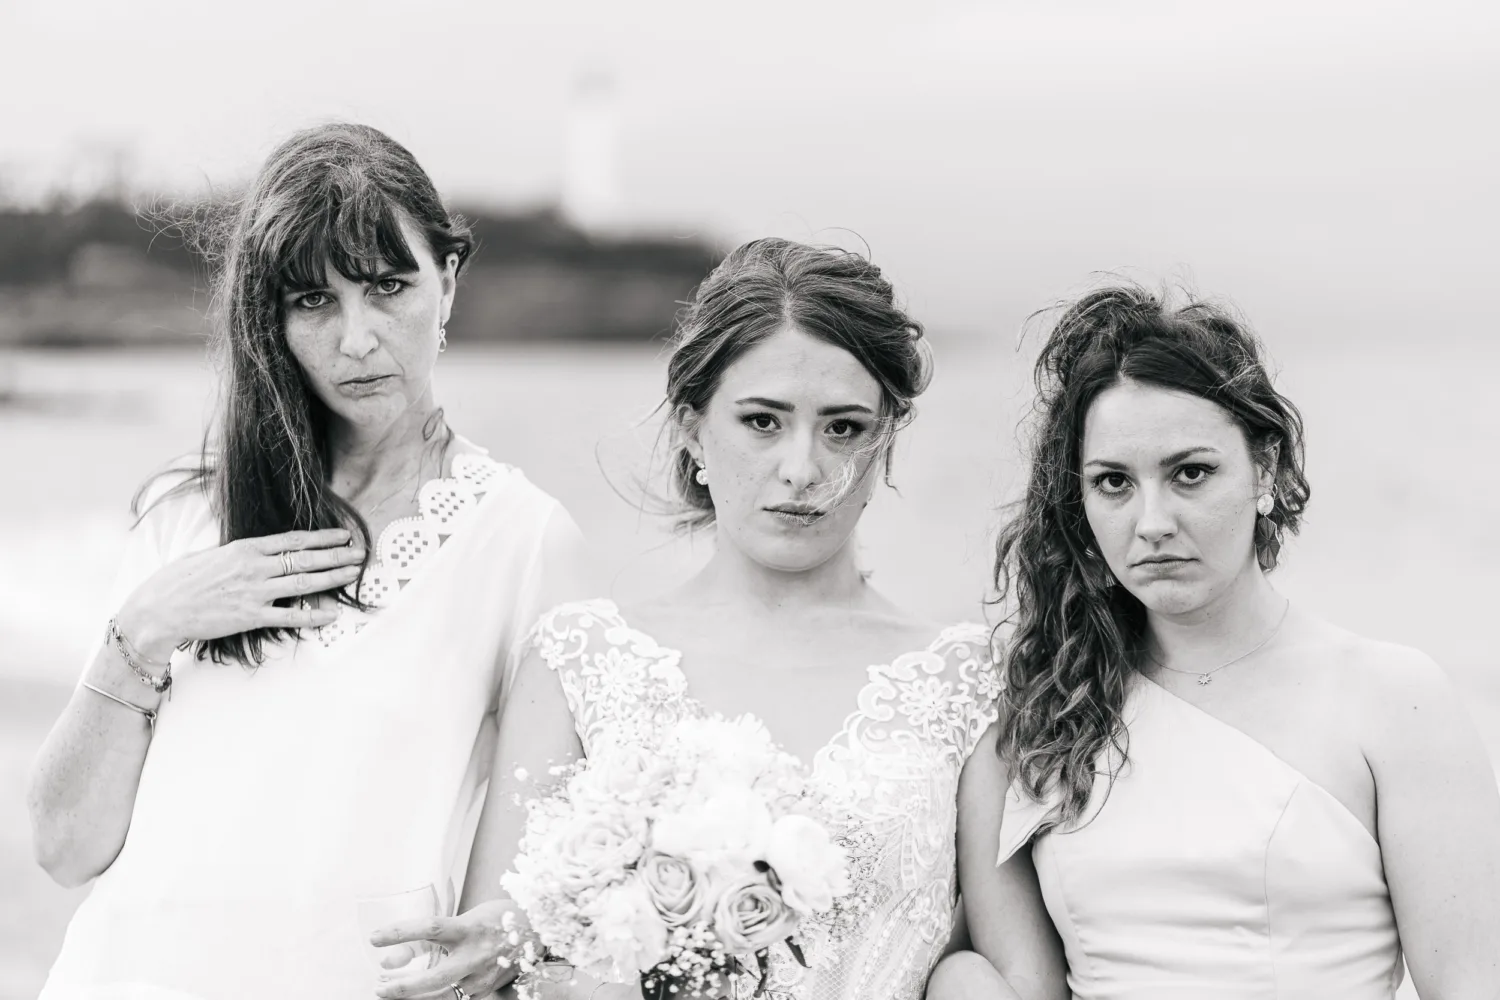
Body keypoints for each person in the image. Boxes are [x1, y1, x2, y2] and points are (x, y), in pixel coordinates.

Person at [28, 123, 591, 1000]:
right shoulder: (185, 512)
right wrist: (145, 626)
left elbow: (493, 934)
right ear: (269, 318)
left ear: (449, 282)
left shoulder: (524, 542)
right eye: (312, 301)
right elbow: (65, 847)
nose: (357, 338)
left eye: (388, 287)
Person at [373, 238, 999, 1000]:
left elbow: (1016, 975)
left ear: (886, 440)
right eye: (763, 421)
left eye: (843, 428)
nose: (802, 469)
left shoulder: (965, 682)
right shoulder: (582, 661)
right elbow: (499, 961)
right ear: (694, 427)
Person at [929, 285, 1500, 1000]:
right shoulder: (1039, 727)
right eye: (1113, 483)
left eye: (1190, 473)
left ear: (1265, 470)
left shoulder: (1395, 702)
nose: (1153, 521)